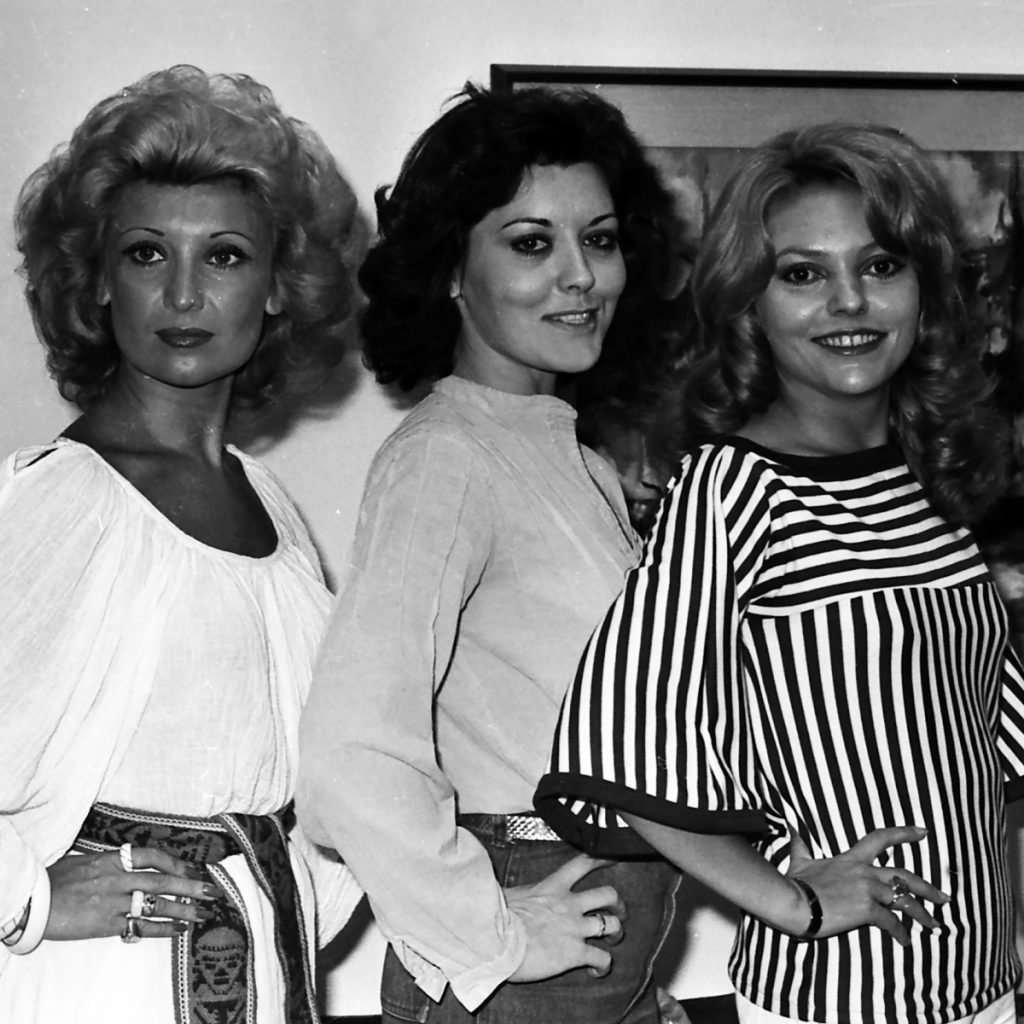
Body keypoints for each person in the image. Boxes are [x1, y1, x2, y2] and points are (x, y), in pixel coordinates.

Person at [535, 123, 1024, 1024]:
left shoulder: (925, 479)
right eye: (802, 274)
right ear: (749, 305)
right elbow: (617, 739)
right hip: (838, 998)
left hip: (984, 986)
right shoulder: (733, 488)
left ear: (923, 287)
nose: (850, 301)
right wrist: (794, 904)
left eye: (880, 265)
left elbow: (977, 745)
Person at [296, 84, 682, 1023]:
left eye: (599, 239)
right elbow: (348, 756)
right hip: (519, 969)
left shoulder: (567, 455)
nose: (580, 275)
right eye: (531, 244)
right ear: (451, 273)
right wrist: (490, 934)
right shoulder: (446, 458)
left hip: (600, 963)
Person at [1, 65, 362, 1023]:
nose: (185, 292)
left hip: (261, 969)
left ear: (279, 288)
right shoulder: (68, 499)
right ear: (97, 281)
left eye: (226, 256)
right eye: (148, 254)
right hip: (103, 984)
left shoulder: (270, 504)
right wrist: (26, 902)